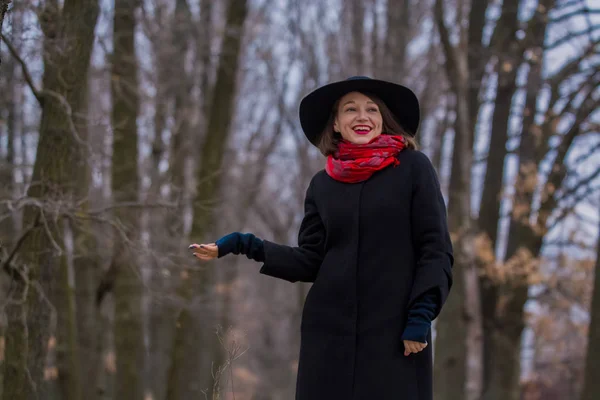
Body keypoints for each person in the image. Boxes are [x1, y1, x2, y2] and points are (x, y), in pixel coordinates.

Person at [189, 76, 453, 400]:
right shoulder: (322, 184)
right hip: (329, 337)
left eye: (372, 109)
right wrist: (243, 244)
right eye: (350, 109)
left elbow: (435, 249)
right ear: (337, 124)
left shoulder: (414, 168)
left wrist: (420, 316)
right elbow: (310, 260)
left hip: (396, 333)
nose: (362, 116)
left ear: (383, 120)